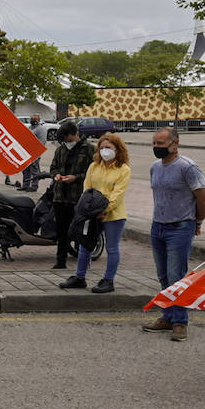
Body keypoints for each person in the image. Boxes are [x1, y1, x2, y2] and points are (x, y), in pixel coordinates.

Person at [143, 127, 205, 342]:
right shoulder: (155, 167)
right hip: (158, 226)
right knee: (163, 276)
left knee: (177, 276)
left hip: (180, 228)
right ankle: (168, 316)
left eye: (161, 144)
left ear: (175, 144)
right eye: (154, 144)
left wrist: (197, 222)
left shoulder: (187, 167)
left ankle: (180, 322)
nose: (156, 148)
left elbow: (204, 199)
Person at [60, 134, 130, 293]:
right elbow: (87, 189)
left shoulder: (123, 169)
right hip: (91, 214)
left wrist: (103, 210)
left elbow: (117, 194)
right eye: (102, 148)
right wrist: (88, 209)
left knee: (112, 248)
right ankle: (80, 277)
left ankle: (108, 280)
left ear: (118, 150)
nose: (105, 151)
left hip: (114, 215)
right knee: (85, 245)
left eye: (109, 148)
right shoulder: (94, 166)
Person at [47, 120, 94, 270]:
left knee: (79, 232)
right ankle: (60, 262)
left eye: (68, 140)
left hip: (79, 197)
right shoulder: (60, 149)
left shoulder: (89, 149)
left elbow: (93, 172)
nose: (67, 143)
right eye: (64, 141)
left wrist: (76, 177)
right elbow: (53, 167)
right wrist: (56, 176)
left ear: (76, 135)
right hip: (60, 196)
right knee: (61, 231)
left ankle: (83, 264)